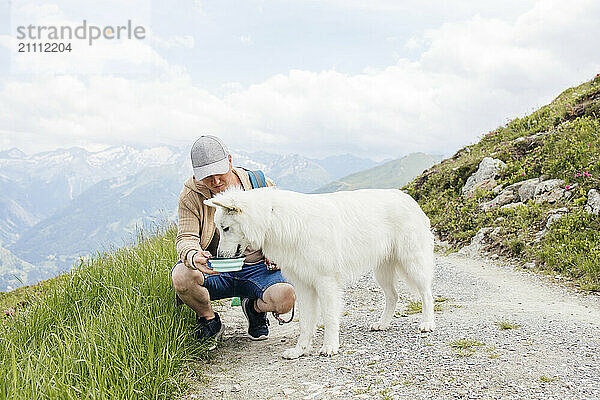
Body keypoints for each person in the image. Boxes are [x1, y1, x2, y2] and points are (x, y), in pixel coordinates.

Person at [171, 135, 295, 349]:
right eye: (207, 177)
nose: (216, 182)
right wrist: (194, 256)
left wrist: (279, 254)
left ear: (229, 161)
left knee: (286, 298)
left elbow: (283, 227)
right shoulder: (190, 196)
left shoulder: (259, 184)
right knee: (181, 276)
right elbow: (186, 237)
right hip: (216, 268)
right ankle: (209, 321)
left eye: (219, 173)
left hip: (259, 268)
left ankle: (254, 309)